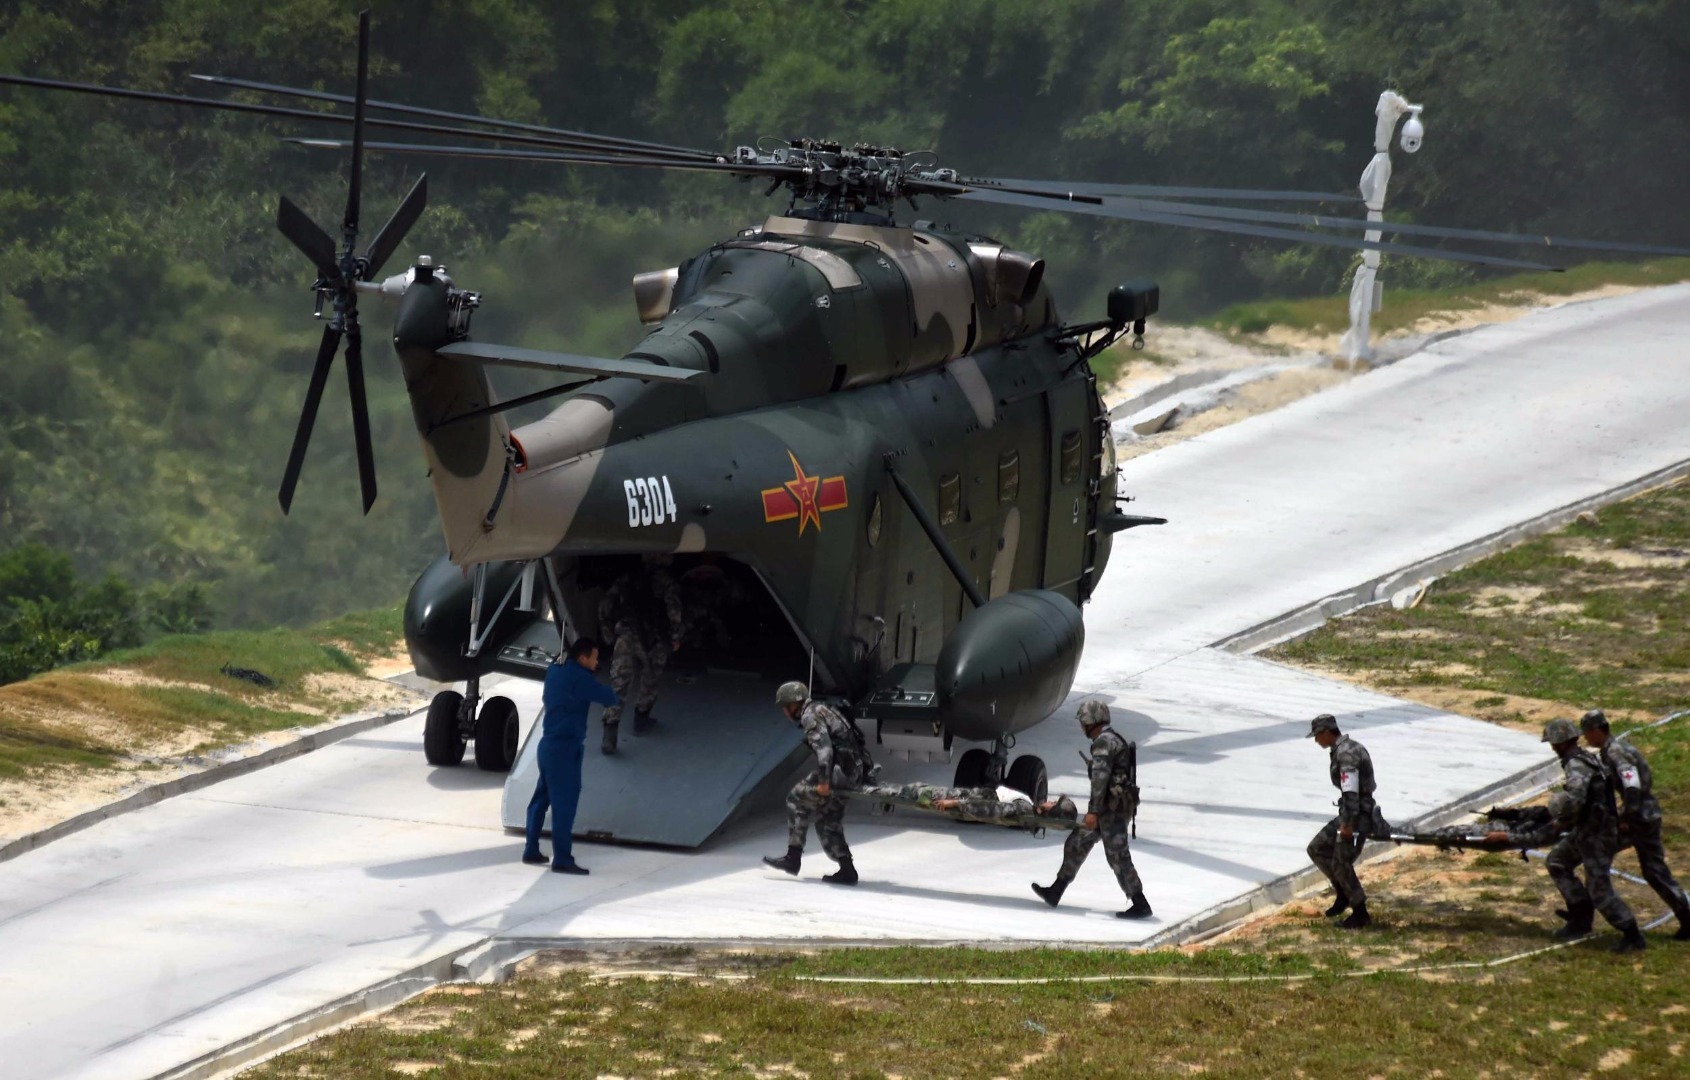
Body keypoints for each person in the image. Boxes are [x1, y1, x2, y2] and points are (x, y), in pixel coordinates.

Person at [1493, 718, 1646, 952]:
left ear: (1561, 743)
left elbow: (1574, 803)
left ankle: (1631, 933)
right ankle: (1580, 919)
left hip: (1597, 835)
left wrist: (1543, 829)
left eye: (1554, 743)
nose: (1552, 748)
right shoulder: (1582, 759)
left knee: (1599, 889)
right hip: (1588, 829)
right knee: (1557, 862)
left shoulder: (1577, 766)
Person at [1031, 701, 1152, 919]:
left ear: (1090, 721)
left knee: (1118, 856)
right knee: (1077, 843)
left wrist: (1093, 812)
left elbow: (1100, 780)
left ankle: (1140, 904)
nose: (1082, 727)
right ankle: (1055, 891)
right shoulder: (1112, 738)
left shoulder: (1104, 742)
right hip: (1111, 807)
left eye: (1083, 722)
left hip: (1110, 811)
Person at [1581, 709, 1690, 940]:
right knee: (1654, 871)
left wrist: (1626, 817)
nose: (1586, 738)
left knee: (1600, 858)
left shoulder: (1616, 752)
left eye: (1587, 733)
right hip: (1645, 813)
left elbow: (1632, 785)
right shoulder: (1614, 749)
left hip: (1639, 818)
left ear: (1597, 730)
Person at [522, 637, 617, 874]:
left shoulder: (555, 672)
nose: (597, 662)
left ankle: (531, 849)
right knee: (565, 805)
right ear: (583, 658)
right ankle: (562, 859)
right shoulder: (580, 679)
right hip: (565, 749)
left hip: (547, 746)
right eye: (594, 658)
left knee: (540, 800)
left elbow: (566, 678)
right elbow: (609, 697)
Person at [762, 681, 869, 885]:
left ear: (794, 705)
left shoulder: (810, 715)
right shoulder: (823, 709)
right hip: (853, 770)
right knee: (827, 817)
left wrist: (823, 782)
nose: (785, 712)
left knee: (796, 798)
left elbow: (825, 750)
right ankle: (847, 870)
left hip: (842, 772)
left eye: (785, 707)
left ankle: (793, 858)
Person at [596, 554, 684, 754]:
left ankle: (609, 736)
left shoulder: (627, 578)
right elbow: (674, 609)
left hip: (626, 635)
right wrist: (675, 636)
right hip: (654, 637)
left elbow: (605, 604)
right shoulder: (667, 582)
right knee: (650, 679)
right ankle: (641, 720)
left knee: (619, 683)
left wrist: (608, 632)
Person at [1306, 713, 1386, 929]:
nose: (1316, 741)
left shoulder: (1347, 754)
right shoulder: (1343, 749)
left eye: (1317, 736)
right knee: (1317, 848)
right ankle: (1343, 893)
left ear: (1326, 733)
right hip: (1351, 813)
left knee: (1341, 862)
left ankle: (1360, 913)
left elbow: (1351, 792)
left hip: (1358, 816)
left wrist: (1348, 824)